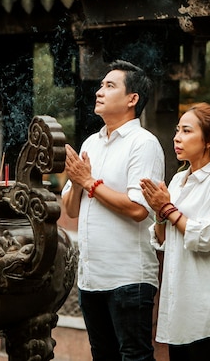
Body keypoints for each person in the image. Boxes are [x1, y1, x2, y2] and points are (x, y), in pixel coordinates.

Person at [61, 59, 165, 361]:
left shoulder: (143, 144)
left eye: (110, 86)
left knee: (134, 356)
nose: (99, 92)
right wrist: (78, 183)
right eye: (100, 85)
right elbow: (71, 208)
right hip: (91, 277)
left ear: (132, 99)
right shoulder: (91, 142)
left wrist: (89, 181)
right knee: (102, 356)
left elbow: (138, 209)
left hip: (128, 276)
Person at [140, 102, 210, 361]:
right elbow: (162, 240)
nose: (177, 137)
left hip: (205, 306)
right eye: (177, 130)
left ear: (209, 140)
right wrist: (160, 212)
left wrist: (167, 207)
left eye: (186, 131)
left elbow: (204, 238)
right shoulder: (178, 180)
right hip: (179, 303)